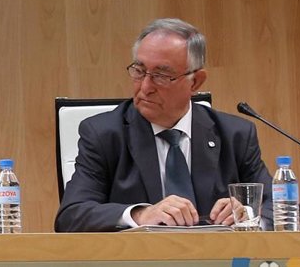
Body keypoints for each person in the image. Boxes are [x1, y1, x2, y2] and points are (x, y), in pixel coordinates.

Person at [56, 18, 273, 232]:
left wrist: (248, 215)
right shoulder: (104, 134)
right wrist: (140, 215)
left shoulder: (235, 135)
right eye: (139, 71)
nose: (145, 87)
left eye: (161, 75)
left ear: (195, 81)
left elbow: (279, 208)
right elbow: (72, 215)